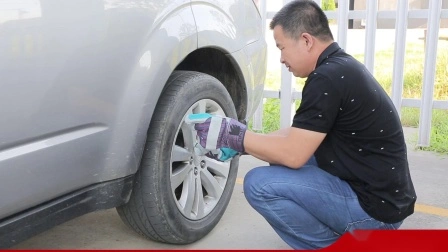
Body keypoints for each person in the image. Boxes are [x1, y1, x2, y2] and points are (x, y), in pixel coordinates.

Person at [190, 0, 416, 249]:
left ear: (306, 40)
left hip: (375, 213)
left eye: (282, 47)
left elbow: (294, 154)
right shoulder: (341, 67)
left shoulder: (326, 79)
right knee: (276, 157)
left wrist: (233, 135)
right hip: (385, 199)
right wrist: (245, 143)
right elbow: (298, 135)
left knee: (258, 184)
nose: (281, 59)